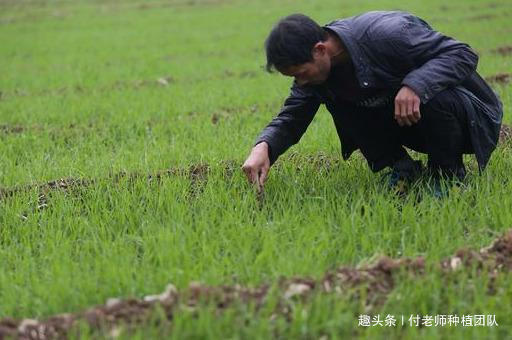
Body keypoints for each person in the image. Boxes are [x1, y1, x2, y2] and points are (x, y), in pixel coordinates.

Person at [241, 11, 503, 195]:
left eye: (300, 73)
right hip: (413, 122)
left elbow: (462, 54)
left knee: (431, 95)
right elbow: (292, 117)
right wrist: (264, 146)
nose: (300, 82)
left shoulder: (387, 34)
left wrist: (417, 85)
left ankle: (448, 177)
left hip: (471, 116)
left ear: (319, 49)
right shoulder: (317, 77)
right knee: (342, 100)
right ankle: (403, 170)